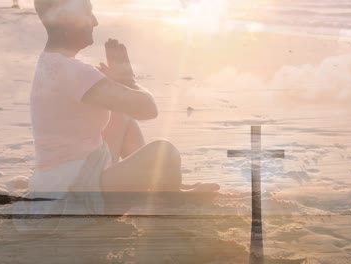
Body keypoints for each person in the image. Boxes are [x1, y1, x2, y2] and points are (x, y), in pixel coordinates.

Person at [29, 0, 220, 215]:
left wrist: (118, 83)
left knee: (122, 116)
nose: (95, 21)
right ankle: (169, 198)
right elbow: (148, 109)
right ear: (66, 20)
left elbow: (126, 108)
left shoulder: (51, 62)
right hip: (75, 191)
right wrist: (128, 80)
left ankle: (162, 186)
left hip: (59, 179)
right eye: (88, 14)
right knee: (165, 153)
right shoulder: (72, 71)